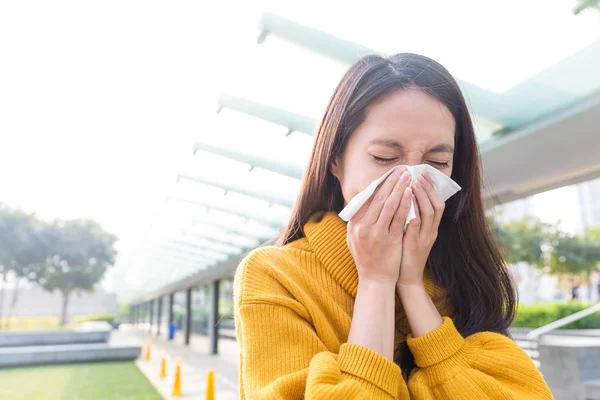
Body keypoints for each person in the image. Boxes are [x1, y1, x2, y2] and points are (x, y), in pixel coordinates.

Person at [233, 53, 553, 399]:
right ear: (335, 159)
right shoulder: (275, 275)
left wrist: (411, 286)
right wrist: (377, 283)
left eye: (436, 162)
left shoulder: (462, 271)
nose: (410, 181)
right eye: (384, 158)